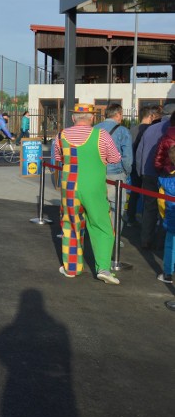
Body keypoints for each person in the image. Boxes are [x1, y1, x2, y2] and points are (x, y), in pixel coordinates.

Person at [53, 104, 122, 284]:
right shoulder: (102, 135)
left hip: (69, 186)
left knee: (70, 224)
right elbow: (115, 158)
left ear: (73, 118)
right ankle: (104, 269)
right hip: (93, 187)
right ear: (92, 118)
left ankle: (72, 267)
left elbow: (58, 158)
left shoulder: (61, 135)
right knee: (102, 226)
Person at [135, 103, 175, 249]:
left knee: (149, 208)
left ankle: (145, 240)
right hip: (168, 176)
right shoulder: (171, 129)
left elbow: (140, 152)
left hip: (149, 173)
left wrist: (140, 172)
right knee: (169, 210)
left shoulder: (150, 129)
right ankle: (165, 244)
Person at [94, 104, 132, 231]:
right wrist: (126, 172)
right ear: (118, 114)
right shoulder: (123, 131)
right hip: (116, 173)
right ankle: (114, 237)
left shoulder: (94, 129)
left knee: (99, 205)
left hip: (98, 172)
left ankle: (100, 234)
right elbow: (127, 156)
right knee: (117, 206)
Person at [126, 106, 160, 224]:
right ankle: (148, 221)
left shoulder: (132, 130)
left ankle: (130, 218)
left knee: (134, 194)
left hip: (134, 166)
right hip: (146, 167)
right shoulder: (151, 130)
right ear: (151, 116)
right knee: (149, 198)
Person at [156, 144, 175, 284]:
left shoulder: (165, 181)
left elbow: (161, 203)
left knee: (170, 246)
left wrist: (164, 217)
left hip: (171, 217)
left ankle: (168, 273)